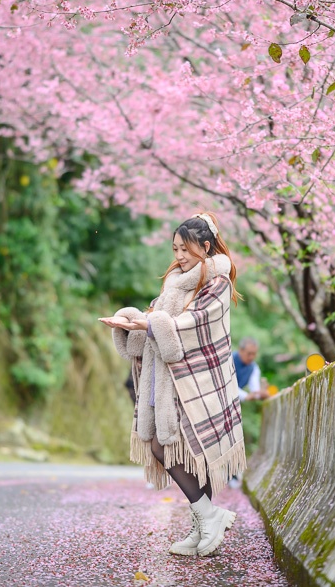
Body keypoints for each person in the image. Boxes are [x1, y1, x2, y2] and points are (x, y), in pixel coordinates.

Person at [99, 213, 246, 558]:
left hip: (197, 381)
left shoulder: (218, 282)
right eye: (175, 248)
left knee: (186, 451)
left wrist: (149, 323)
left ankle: (207, 518)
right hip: (163, 379)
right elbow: (157, 321)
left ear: (205, 247)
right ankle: (206, 519)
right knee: (162, 447)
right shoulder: (175, 282)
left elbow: (195, 326)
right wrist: (131, 322)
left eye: (185, 248)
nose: (178, 255)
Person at [233, 337, 269, 402]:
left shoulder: (254, 368)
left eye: (254, 354)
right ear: (240, 350)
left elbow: (255, 388)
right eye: (249, 353)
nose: (251, 357)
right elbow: (228, 385)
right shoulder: (229, 360)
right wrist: (245, 396)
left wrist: (261, 393)